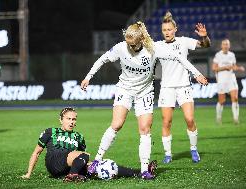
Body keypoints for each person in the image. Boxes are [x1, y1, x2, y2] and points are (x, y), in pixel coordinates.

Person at [81, 21, 208, 178]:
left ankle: (144, 170)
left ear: (141, 40)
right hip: (125, 89)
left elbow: (178, 57)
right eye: (128, 43)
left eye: (133, 44)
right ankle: (96, 160)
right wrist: (88, 77)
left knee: (145, 129)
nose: (130, 47)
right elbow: (102, 59)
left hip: (145, 92)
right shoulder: (122, 47)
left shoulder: (153, 48)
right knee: (117, 124)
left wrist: (196, 74)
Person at [21, 107, 158, 182]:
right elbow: (36, 152)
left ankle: (139, 172)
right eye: (68, 119)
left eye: (74, 119)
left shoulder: (78, 136)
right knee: (84, 155)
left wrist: (95, 165)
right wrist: (28, 174)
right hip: (54, 161)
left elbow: (82, 160)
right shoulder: (50, 132)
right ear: (60, 120)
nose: (71, 122)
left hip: (69, 164)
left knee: (103, 165)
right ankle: (72, 176)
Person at [155, 11, 210, 164]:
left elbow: (205, 45)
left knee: (190, 119)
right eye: (164, 30)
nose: (167, 32)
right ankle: (168, 154)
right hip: (166, 88)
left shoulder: (184, 41)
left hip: (184, 86)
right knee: (166, 122)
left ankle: (193, 149)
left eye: (169, 29)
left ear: (175, 29)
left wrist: (204, 36)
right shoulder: (157, 46)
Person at [212, 39, 245, 124]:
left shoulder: (232, 55)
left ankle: (236, 118)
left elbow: (233, 67)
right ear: (221, 46)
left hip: (231, 79)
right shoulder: (218, 55)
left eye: (227, 44)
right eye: (224, 44)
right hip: (222, 80)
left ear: (229, 46)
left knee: (235, 98)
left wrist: (239, 68)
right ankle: (218, 118)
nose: (226, 46)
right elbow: (214, 68)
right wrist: (225, 67)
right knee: (222, 101)